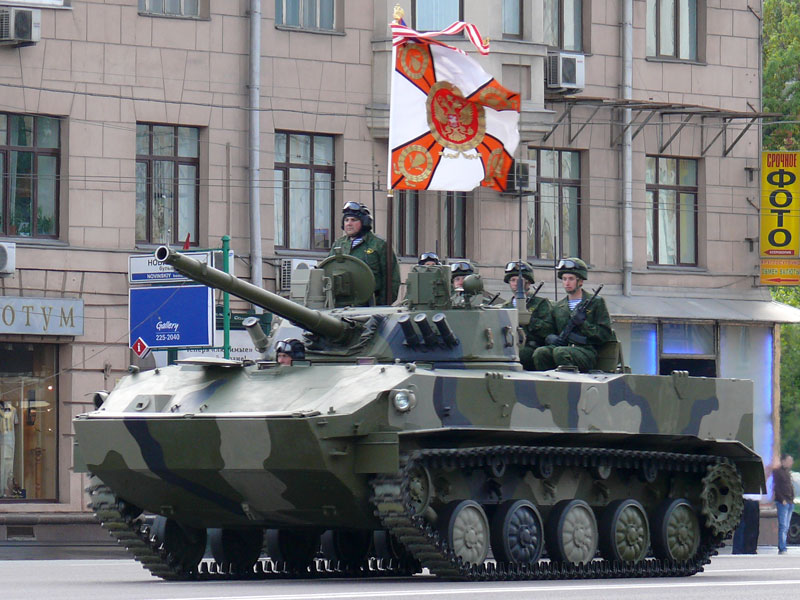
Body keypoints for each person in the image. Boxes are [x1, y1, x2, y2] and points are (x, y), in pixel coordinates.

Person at [532, 257, 612, 372]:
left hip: (586, 352)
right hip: (562, 347)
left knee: (560, 352)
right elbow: (550, 330)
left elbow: (605, 334)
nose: (567, 283)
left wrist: (584, 324)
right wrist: (551, 338)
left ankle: (569, 387)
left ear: (580, 281)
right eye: (564, 279)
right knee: (540, 353)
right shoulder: (558, 307)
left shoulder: (595, 303)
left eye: (571, 279)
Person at [329, 201, 400, 305]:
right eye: (346, 220)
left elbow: (392, 279)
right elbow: (327, 272)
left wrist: (381, 306)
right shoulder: (339, 244)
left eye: (353, 220)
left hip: (370, 305)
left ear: (364, 222)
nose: (349, 223)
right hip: (341, 304)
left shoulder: (379, 245)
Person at [502, 261, 555, 370]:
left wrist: (529, 319)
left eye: (519, 280)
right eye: (513, 280)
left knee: (517, 355)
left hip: (532, 347)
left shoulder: (540, 303)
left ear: (528, 283)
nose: (516, 283)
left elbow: (548, 330)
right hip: (509, 345)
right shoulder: (505, 306)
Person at [771, 453, 795, 554]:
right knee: (783, 525)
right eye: (789, 460)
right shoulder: (777, 472)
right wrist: (782, 499)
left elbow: (790, 486)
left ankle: (784, 545)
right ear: (783, 461)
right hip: (783, 502)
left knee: (787, 525)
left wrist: (792, 498)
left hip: (790, 501)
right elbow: (776, 487)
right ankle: (782, 547)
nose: (791, 463)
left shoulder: (787, 472)